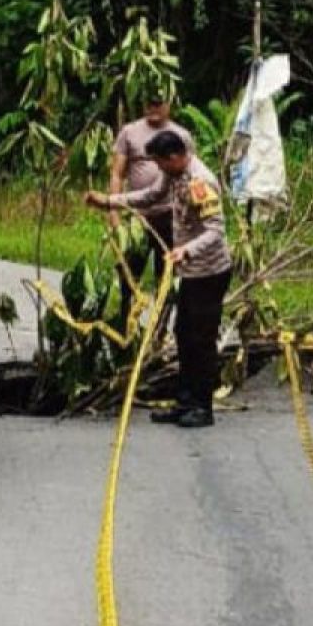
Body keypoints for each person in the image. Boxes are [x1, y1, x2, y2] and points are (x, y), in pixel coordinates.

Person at [85, 129, 232, 429]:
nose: (159, 170)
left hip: (209, 272)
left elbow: (216, 231)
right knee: (183, 334)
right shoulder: (173, 174)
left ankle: (202, 407)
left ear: (176, 157)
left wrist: (185, 251)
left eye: (161, 163)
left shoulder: (199, 182)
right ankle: (185, 401)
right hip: (190, 272)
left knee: (201, 339)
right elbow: (151, 195)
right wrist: (110, 201)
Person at [109, 94, 196, 324]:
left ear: (169, 104)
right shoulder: (129, 132)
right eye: (149, 102)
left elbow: (191, 176)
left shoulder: (182, 136)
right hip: (137, 218)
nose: (153, 107)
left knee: (166, 277)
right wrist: (114, 213)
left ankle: (158, 332)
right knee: (128, 275)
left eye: (158, 103)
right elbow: (117, 173)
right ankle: (126, 327)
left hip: (170, 217)